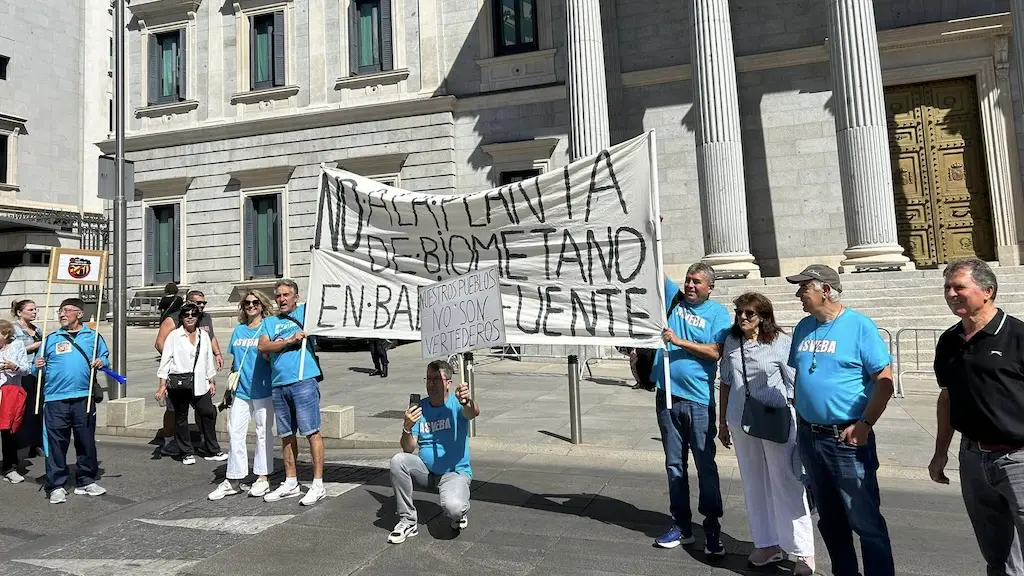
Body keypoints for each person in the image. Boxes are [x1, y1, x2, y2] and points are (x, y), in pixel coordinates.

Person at [786, 264, 895, 576]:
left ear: (826, 291)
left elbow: (884, 381)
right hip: (810, 435)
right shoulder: (803, 328)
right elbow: (802, 376)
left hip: (847, 437)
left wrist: (865, 424)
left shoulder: (860, 326)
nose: (798, 294)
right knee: (830, 518)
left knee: (864, 519)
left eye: (804, 288)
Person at [929, 258, 1024, 575]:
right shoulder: (948, 341)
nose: (951, 294)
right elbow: (948, 399)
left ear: (987, 291)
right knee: (995, 556)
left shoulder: (1018, 336)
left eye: (959, 287)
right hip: (972, 459)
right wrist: (940, 453)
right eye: (947, 288)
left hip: (1018, 460)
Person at [718, 292, 815, 574]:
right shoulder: (731, 341)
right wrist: (722, 421)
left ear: (763, 316)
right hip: (740, 419)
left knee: (785, 482)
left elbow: (795, 384)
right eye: (739, 313)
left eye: (749, 314)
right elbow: (725, 381)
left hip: (775, 421)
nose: (743, 318)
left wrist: (804, 420)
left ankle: (803, 551)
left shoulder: (781, 343)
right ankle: (767, 543)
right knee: (753, 483)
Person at [649, 263, 731, 556]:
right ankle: (681, 526)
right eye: (688, 280)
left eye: (697, 282)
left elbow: (715, 352)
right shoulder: (674, 301)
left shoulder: (718, 314)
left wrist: (679, 341)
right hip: (667, 397)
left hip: (698, 401)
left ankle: (711, 528)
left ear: (710, 286)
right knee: (674, 465)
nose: (690, 286)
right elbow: (655, 265)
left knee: (705, 465)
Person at [388, 359, 479, 544]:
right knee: (398, 460)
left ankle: (460, 510)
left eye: (436, 379)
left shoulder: (457, 404)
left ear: (448, 383)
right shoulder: (420, 408)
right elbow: (408, 448)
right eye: (428, 379)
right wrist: (407, 427)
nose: (431, 384)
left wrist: (467, 401)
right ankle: (407, 520)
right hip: (427, 472)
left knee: (454, 508)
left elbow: (473, 412)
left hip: (454, 473)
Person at [258, 279, 326, 506]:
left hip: (303, 380)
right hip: (278, 383)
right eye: (278, 296)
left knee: (311, 431)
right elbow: (263, 346)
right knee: (286, 435)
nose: (282, 299)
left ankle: (318, 484)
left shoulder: (307, 312)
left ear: (296, 297)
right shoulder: (269, 322)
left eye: (286, 295)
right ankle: (290, 481)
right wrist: (288, 341)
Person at [34, 298, 109, 504]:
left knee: (86, 441)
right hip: (55, 399)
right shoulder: (50, 339)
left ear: (80, 314)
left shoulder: (93, 337)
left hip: (83, 397)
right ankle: (56, 484)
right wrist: (38, 365)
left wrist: (102, 361)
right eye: (60, 311)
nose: (62, 314)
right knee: (57, 443)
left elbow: (104, 356)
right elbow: (35, 369)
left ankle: (86, 480)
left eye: (67, 310)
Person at [208, 290, 276, 500]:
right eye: (247, 303)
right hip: (241, 390)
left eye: (256, 302)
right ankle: (234, 479)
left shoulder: (269, 327)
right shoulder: (238, 330)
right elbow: (236, 362)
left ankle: (262, 477)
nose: (251, 306)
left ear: (262, 305)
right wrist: (230, 386)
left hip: (263, 388)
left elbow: (274, 354)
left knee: (263, 432)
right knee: (234, 432)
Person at [155, 302, 225, 465]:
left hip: (200, 381)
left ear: (198, 317)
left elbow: (208, 359)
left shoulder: (204, 335)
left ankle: (212, 449)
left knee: (208, 413)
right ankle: (186, 452)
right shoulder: (174, 336)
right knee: (181, 417)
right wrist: (162, 385)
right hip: (179, 381)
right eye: (186, 315)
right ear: (181, 318)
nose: (190, 317)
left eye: (193, 314)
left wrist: (211, 380)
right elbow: (165, 361)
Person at [0, 319, 31, 484]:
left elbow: (26, 370)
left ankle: (10, 467)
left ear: (5, 334)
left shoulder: (17, 345)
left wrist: (14, 367)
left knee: (8, 431)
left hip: (10, 392)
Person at [12, 299, 43, 456]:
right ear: (19, 312)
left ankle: (36, 442)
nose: (34, 312)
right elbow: (10, 351)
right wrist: (31, 347)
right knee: (24, 408)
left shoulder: (37, 330)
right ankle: (20, 442)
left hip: (37, 372)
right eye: (31, 309)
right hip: (22, 373)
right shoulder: (13, 329)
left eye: (35, 309)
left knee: (37, 408)